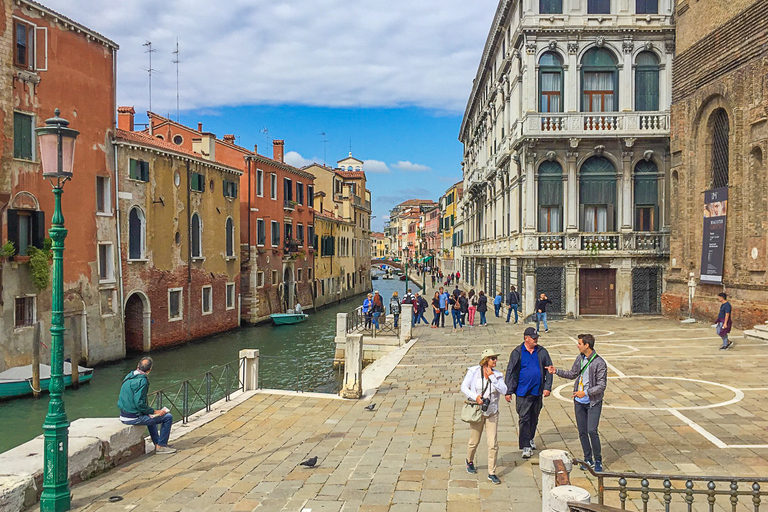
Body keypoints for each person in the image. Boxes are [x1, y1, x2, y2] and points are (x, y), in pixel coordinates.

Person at [547, 333, 607, 472]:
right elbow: (573, 373)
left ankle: (598, 460)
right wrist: (556, 371)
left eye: (579, 343)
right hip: (579, 401)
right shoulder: (580, 358)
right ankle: (587, 458)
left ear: (587, 345)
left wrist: (585, 392)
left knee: (592, 430)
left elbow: (602, 385)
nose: (577, 345)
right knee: (582, 431)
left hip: (593, 401)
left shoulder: (599, 363)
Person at [504, 327, 553, 459]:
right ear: (526, 338)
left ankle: (530, 438)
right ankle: (525, 445)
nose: (536, 339)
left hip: (537, 391)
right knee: (524, 418)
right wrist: (508, 390)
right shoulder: (517, 352)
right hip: (522, 392)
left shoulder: (542, 352)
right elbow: (510, 371)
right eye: (533, 338)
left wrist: (547, 387)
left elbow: (549, 369)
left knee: (534, 417)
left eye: (536, 337)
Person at [461, 348, 507, 485]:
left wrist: (492, 376)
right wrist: (476, 397)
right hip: (478, 410)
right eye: (493, 358)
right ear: (486, 360)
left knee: (492, 443)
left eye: (495, 358)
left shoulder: (498, 375)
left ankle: (491, 472)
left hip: (492, 411)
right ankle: (469, 460)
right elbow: (464, 387)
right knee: (474, 441)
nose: (495, 361)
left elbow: (504, 390)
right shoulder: (474, 372)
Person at [118, 357, 176, 454]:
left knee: (151, 417)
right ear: (149, 370)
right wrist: (154, 411)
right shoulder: (142, 381)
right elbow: (139, 403)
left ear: (137, 366)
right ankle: (161, 447)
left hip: (124, 415)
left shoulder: (129, 376)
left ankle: (158, 443)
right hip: (134, 417)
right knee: (168, 417)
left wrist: (150, 412)